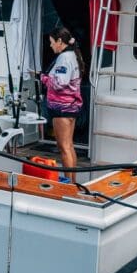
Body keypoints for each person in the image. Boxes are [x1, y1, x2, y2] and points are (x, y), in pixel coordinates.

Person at [38, 26, 84, 171]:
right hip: (72, 106)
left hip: (62, 109)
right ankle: (73, 182)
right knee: (69, 146)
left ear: (59, 41)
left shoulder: (64, 58)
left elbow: (59, 83)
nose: (50, 45)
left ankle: (69, 185)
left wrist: (42, 78)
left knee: (63, 148)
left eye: (51, 42)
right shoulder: (73, 55)